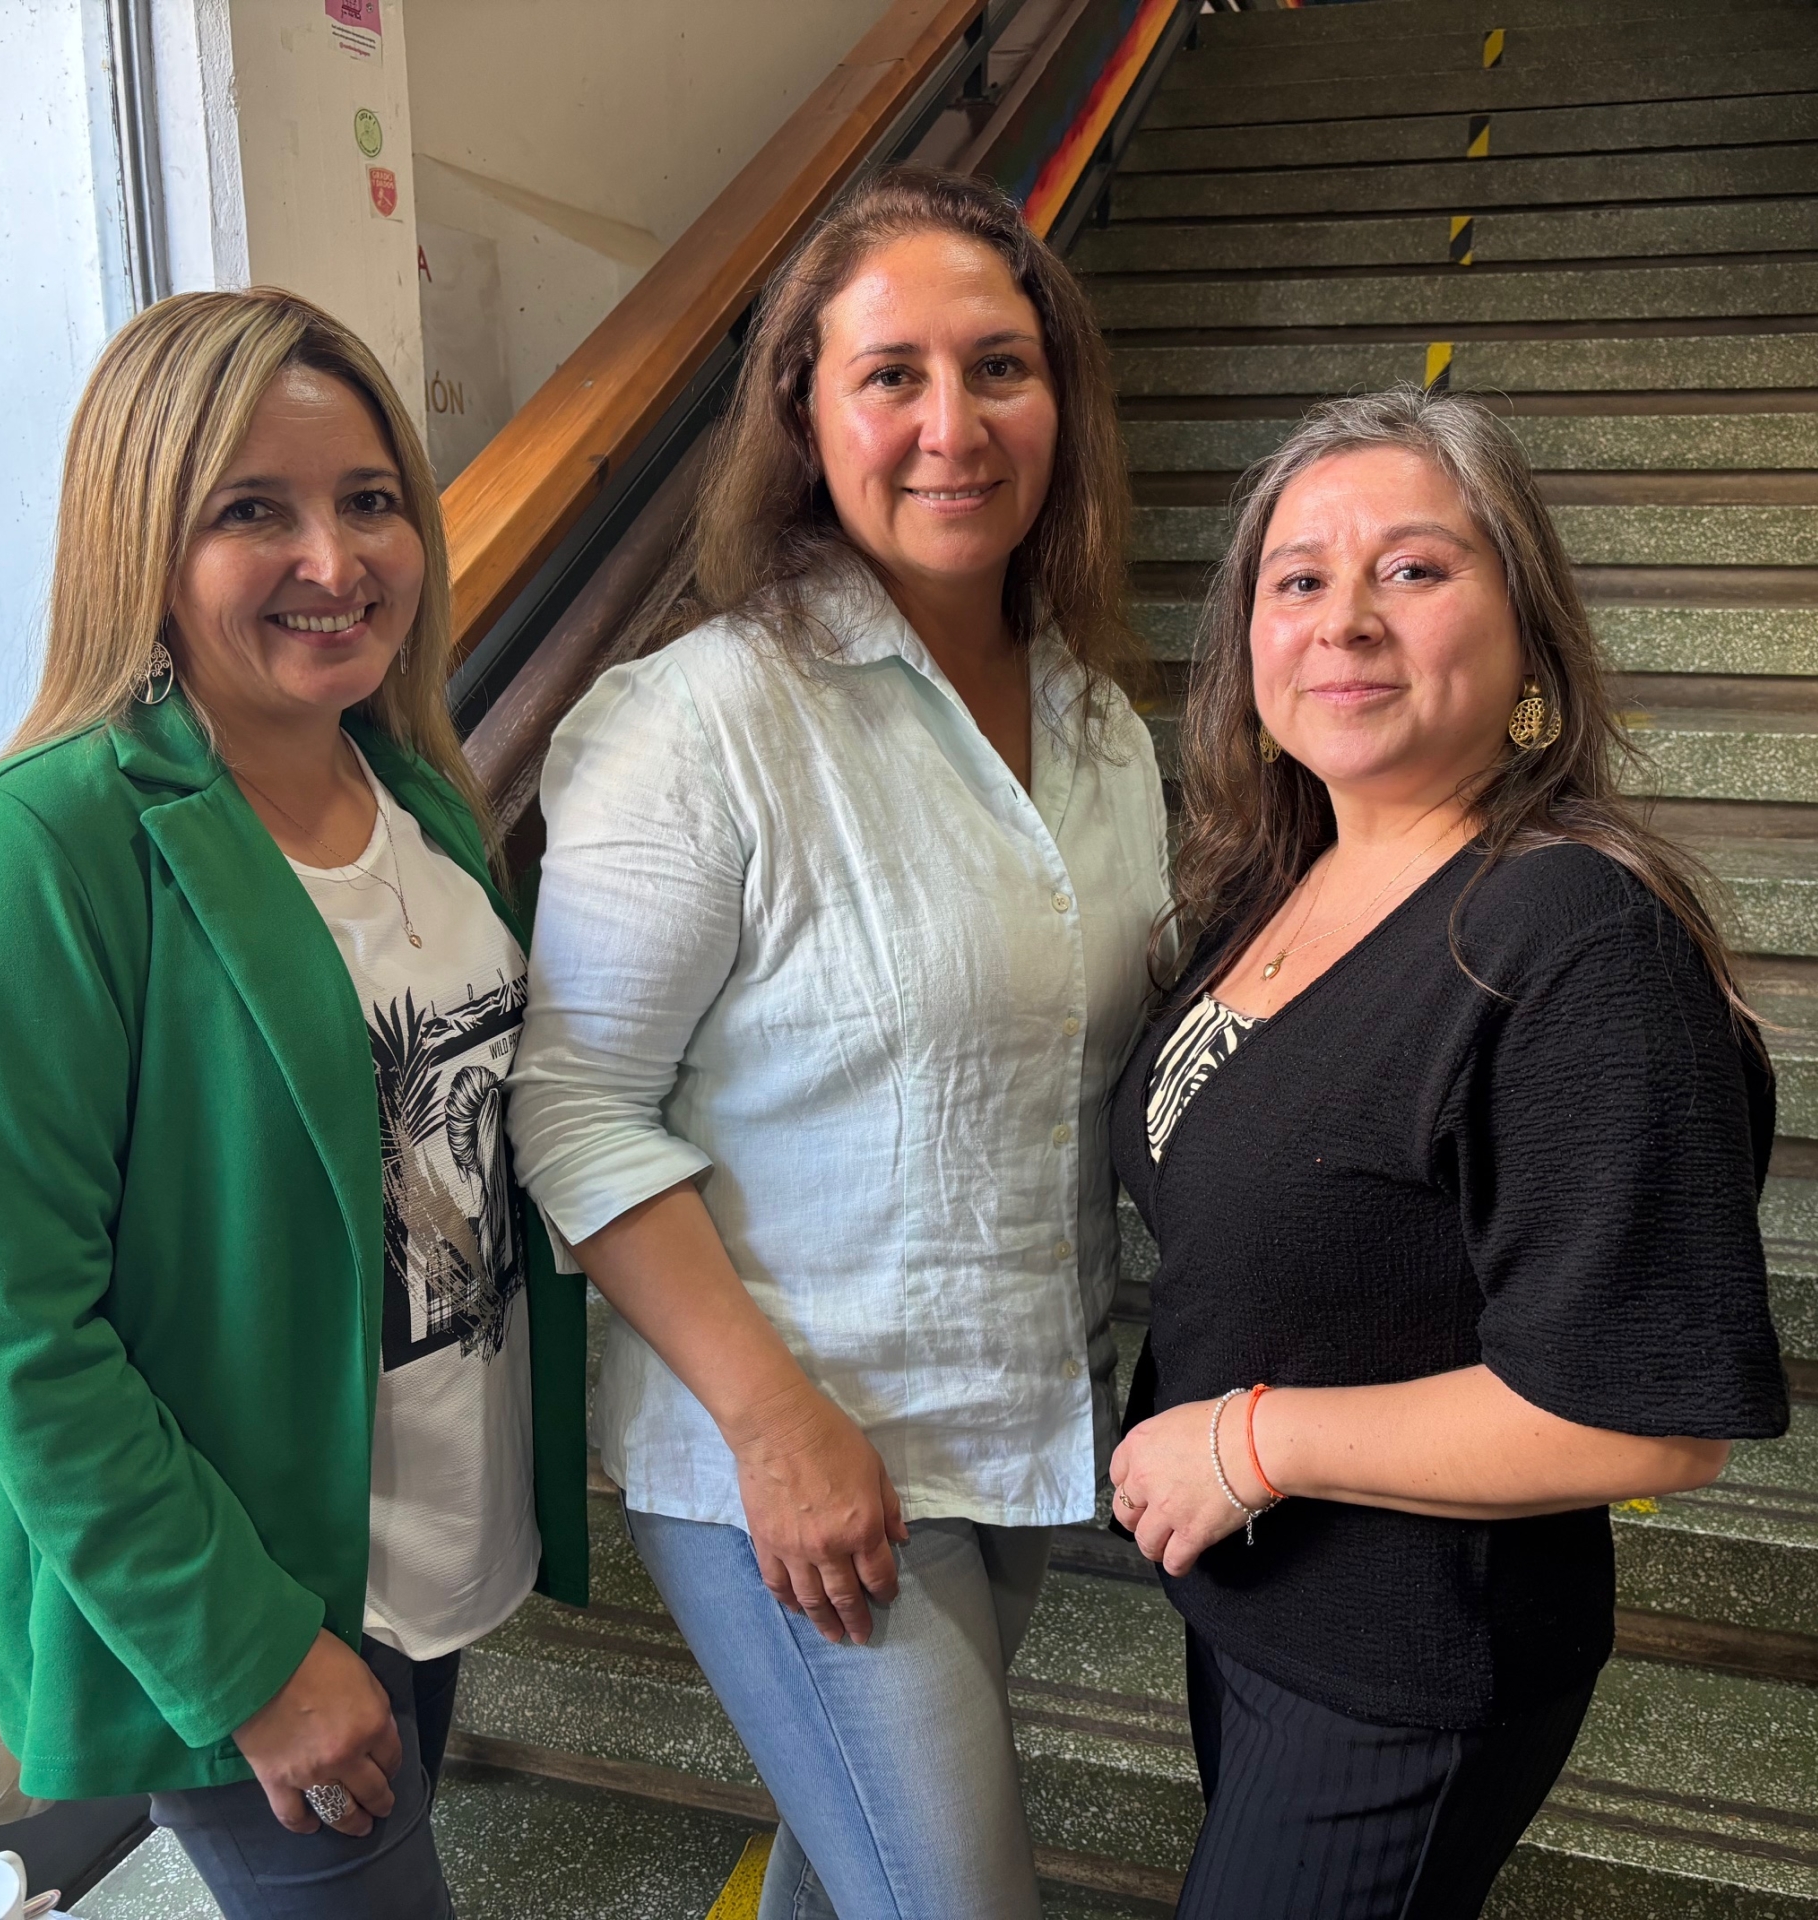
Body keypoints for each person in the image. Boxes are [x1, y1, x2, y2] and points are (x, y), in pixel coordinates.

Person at [505, 165, 1165, 1920]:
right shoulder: (700, 719)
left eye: (1000, 367)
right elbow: (573, 1110)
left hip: (1012, 1416)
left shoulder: (1102, 726)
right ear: (805, 415)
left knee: (851, 1875)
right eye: (892, 376)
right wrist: (775, 1423)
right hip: (792, 1451)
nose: (954, 426)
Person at [0, 288, 590, 1918]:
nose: (335, 561)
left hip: (426, 1546)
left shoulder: (414, 791)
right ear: (140, 540)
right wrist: (254, 1656)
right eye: (252, 512)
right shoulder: (35, 851)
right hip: (251, 1591)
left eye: (370, 500)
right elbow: (20, 1334)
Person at [1105, 387, 1789, 1919]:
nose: (1344, 618)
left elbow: (1643, 1422)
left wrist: (1250, 1444)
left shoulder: (1574, 943)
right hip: (1263, 1612)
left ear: (1528, 632)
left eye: (1413, 568)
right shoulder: (1280, 886)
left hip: (1404, 1666)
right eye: (1298, 579)